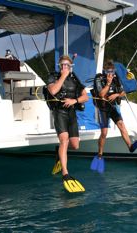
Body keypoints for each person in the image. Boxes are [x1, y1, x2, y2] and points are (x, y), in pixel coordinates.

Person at [48, 55, 88, 192]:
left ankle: (59, 153)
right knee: (64, 140)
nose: (65, 67)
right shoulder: (53, 76)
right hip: (59, 113)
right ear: (59, 67)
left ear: (71, 67)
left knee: (75, 145)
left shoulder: (75, 79)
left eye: (67, 65)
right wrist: (63, 76)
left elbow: (85, 97)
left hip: (71, 113)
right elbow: (53, 91)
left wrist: (74, 101)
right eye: (62, 65)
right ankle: (65, 173)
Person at [90, 60, 133, 173]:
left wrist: (117, 94)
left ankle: (130, 147)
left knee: (121, 125)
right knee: (104, 133)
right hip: (103, 108)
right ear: (104, 71)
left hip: (113, 107)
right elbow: (101, 94)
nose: (111, 74)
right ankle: (100, 153)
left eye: (112, 71)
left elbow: (124, 92)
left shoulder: (116, 78)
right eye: (108, 72)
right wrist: (108, 83)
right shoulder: (99, 79)